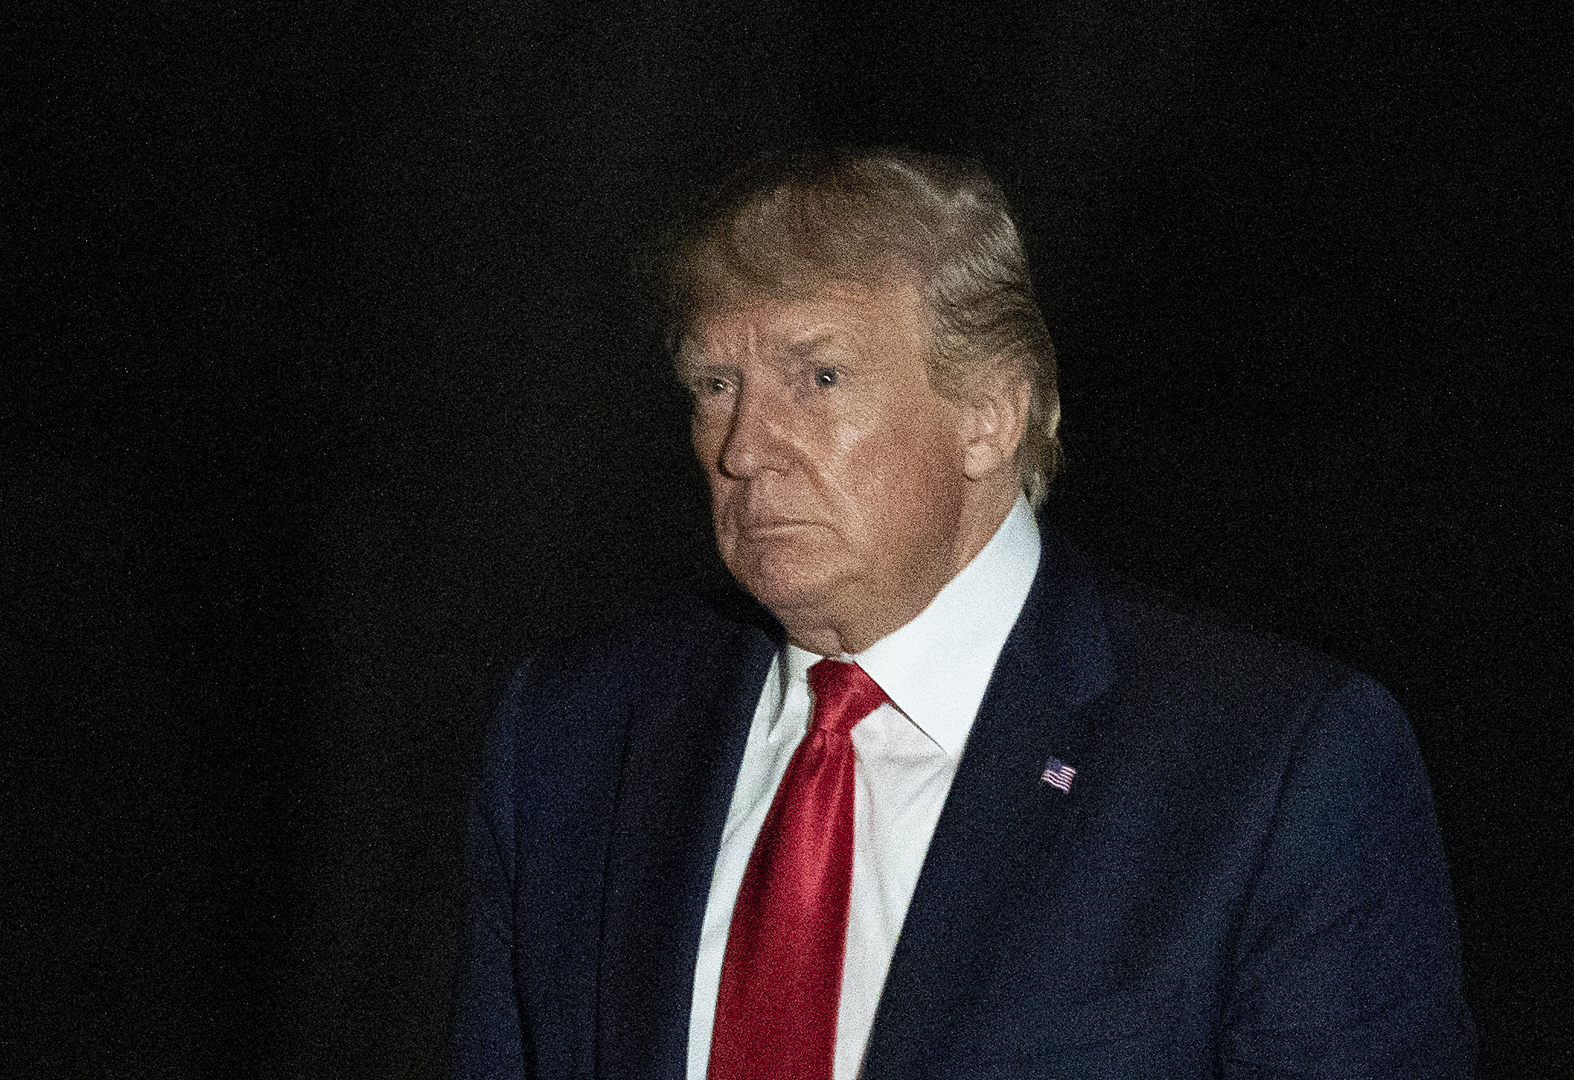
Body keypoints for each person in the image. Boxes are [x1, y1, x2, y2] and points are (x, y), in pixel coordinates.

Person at [452, 147, 1475, 1079]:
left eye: (819, 378)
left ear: (989, 415)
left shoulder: (1271, 768)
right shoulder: (574, 735)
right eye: (717, 385)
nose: (745, 446)